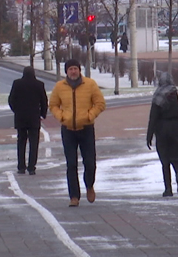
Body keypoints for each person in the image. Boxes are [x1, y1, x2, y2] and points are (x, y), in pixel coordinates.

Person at [49, 59, 107, 207]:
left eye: (75, 68)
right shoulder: (59, 87)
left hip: (86, 129)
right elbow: (53, 105)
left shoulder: (90, 84)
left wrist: (90, 115)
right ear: (66, 71)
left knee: (90, 162)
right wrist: (61, 116)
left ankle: (89, 185)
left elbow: (100, 103)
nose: (73, 71)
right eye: (70, 69)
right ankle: (74, 196)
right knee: (71, 164)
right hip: (68, 130)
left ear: (79, 70)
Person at [146, 72, 178, 197]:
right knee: (176, 157)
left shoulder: (157, 96)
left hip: (161, 130)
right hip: (176, 130)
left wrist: (149, 136)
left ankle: (168, 189)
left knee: (165, 161)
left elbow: (153, 118)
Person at [8, 66, 48, 175]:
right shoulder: (39, 85)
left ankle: (21, 166)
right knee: (34, 143)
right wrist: (42, 114)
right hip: (34, 118)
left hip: (20, 117)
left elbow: (11, 100)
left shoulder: (17, 84)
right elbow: (44, 101)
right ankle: (31, 167)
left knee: (21, 142)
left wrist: (16, 110)